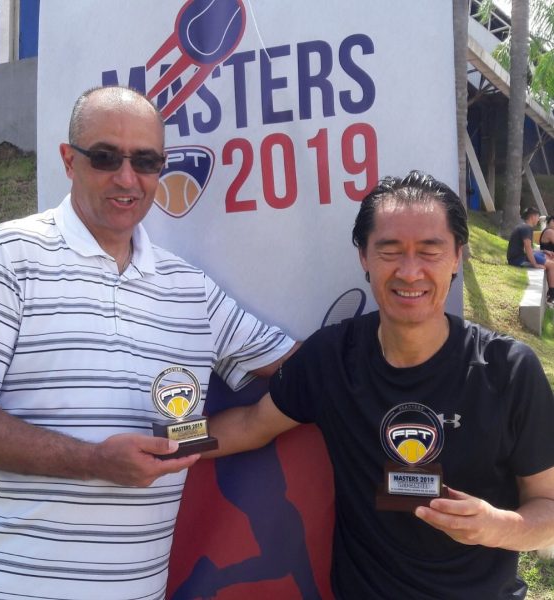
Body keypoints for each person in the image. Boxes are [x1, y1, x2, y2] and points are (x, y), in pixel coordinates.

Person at [0, 85, 296, 600]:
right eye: (105, 157)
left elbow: (297, 367)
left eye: (146, 161)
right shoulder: (5, 257)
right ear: (68, 160)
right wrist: (91, 461)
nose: (127, 178)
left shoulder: (189, 289)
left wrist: (408, 347)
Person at [209, 171, 554, 599]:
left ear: (457, 257)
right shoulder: (332, 358)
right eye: (390, 251)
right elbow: (249, 425)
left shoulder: (508, 371)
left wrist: (497, 527)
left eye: (429, 251)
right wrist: (168, 442)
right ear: (364, 257)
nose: (409, 272)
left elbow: (548, 507)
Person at [507, 206, 554, 305]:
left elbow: (529, 249)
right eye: (537, 217)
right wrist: (535, 264)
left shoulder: (524, 227)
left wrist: (543, 251)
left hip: (519, 257)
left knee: (548, 257)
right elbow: (528, 249)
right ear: (532, 217)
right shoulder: (526, 228)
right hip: (518, 260)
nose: (538, 220)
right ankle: (551, 295)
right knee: (551, 265)